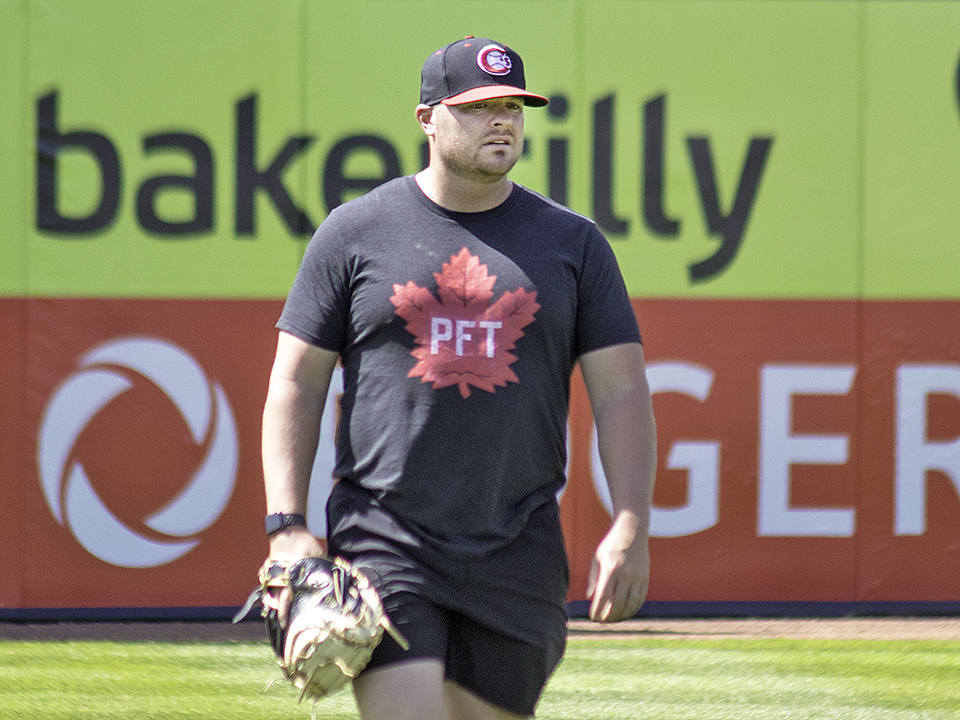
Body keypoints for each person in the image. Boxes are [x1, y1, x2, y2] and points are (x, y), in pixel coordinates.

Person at [260, 36, 656, 720]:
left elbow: (621, 390)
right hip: (387, 537)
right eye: (477, 108)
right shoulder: (355, 233)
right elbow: (295, 381)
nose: (500, 120)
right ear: (427, 119)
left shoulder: (574, 243)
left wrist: (631, 522)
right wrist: (287, 524)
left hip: (519, 545)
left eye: (512, 106)